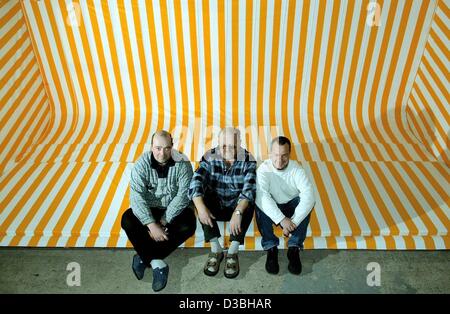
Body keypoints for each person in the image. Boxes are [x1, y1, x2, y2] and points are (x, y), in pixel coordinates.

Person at [121, 130, 196, 292]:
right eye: (158, 148)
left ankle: (143, 256)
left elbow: (183, 196)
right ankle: (157, 263)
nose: (162, 153)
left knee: (188, 225)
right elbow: (136, 198)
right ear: (151, 147)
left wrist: (163, 221)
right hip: (150, 208)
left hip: (173, 210)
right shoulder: (141, 165)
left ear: (172, 146)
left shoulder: (182, 163)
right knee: (127, 219)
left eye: (167, 148)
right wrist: (151, 225)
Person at [188, 127, 256, 279]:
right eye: (223, 145)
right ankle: (216, 249)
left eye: (231, 146)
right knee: (199, 197)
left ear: (239, 144)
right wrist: (200, 207)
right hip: (216, 206)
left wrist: (238, 212)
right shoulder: (209, 156)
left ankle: (232, 251)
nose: (226, 149)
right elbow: (196, 180)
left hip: (235, 208)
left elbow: (249, 188)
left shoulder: (248, 159)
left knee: (250, 201)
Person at [255, 136, 315, 275]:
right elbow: (262, 196)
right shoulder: (263, 169)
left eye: (284, 155)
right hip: (273, 205)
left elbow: (309, 196)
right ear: (270, 153)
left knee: (304, 203)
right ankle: (271, 248)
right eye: (276, 155)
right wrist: (282, 220)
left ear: (289, 154)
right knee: (260, 203)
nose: (279, 160)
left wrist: (293, 222)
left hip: (291, 205)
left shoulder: (296, 169)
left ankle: (294, 247)